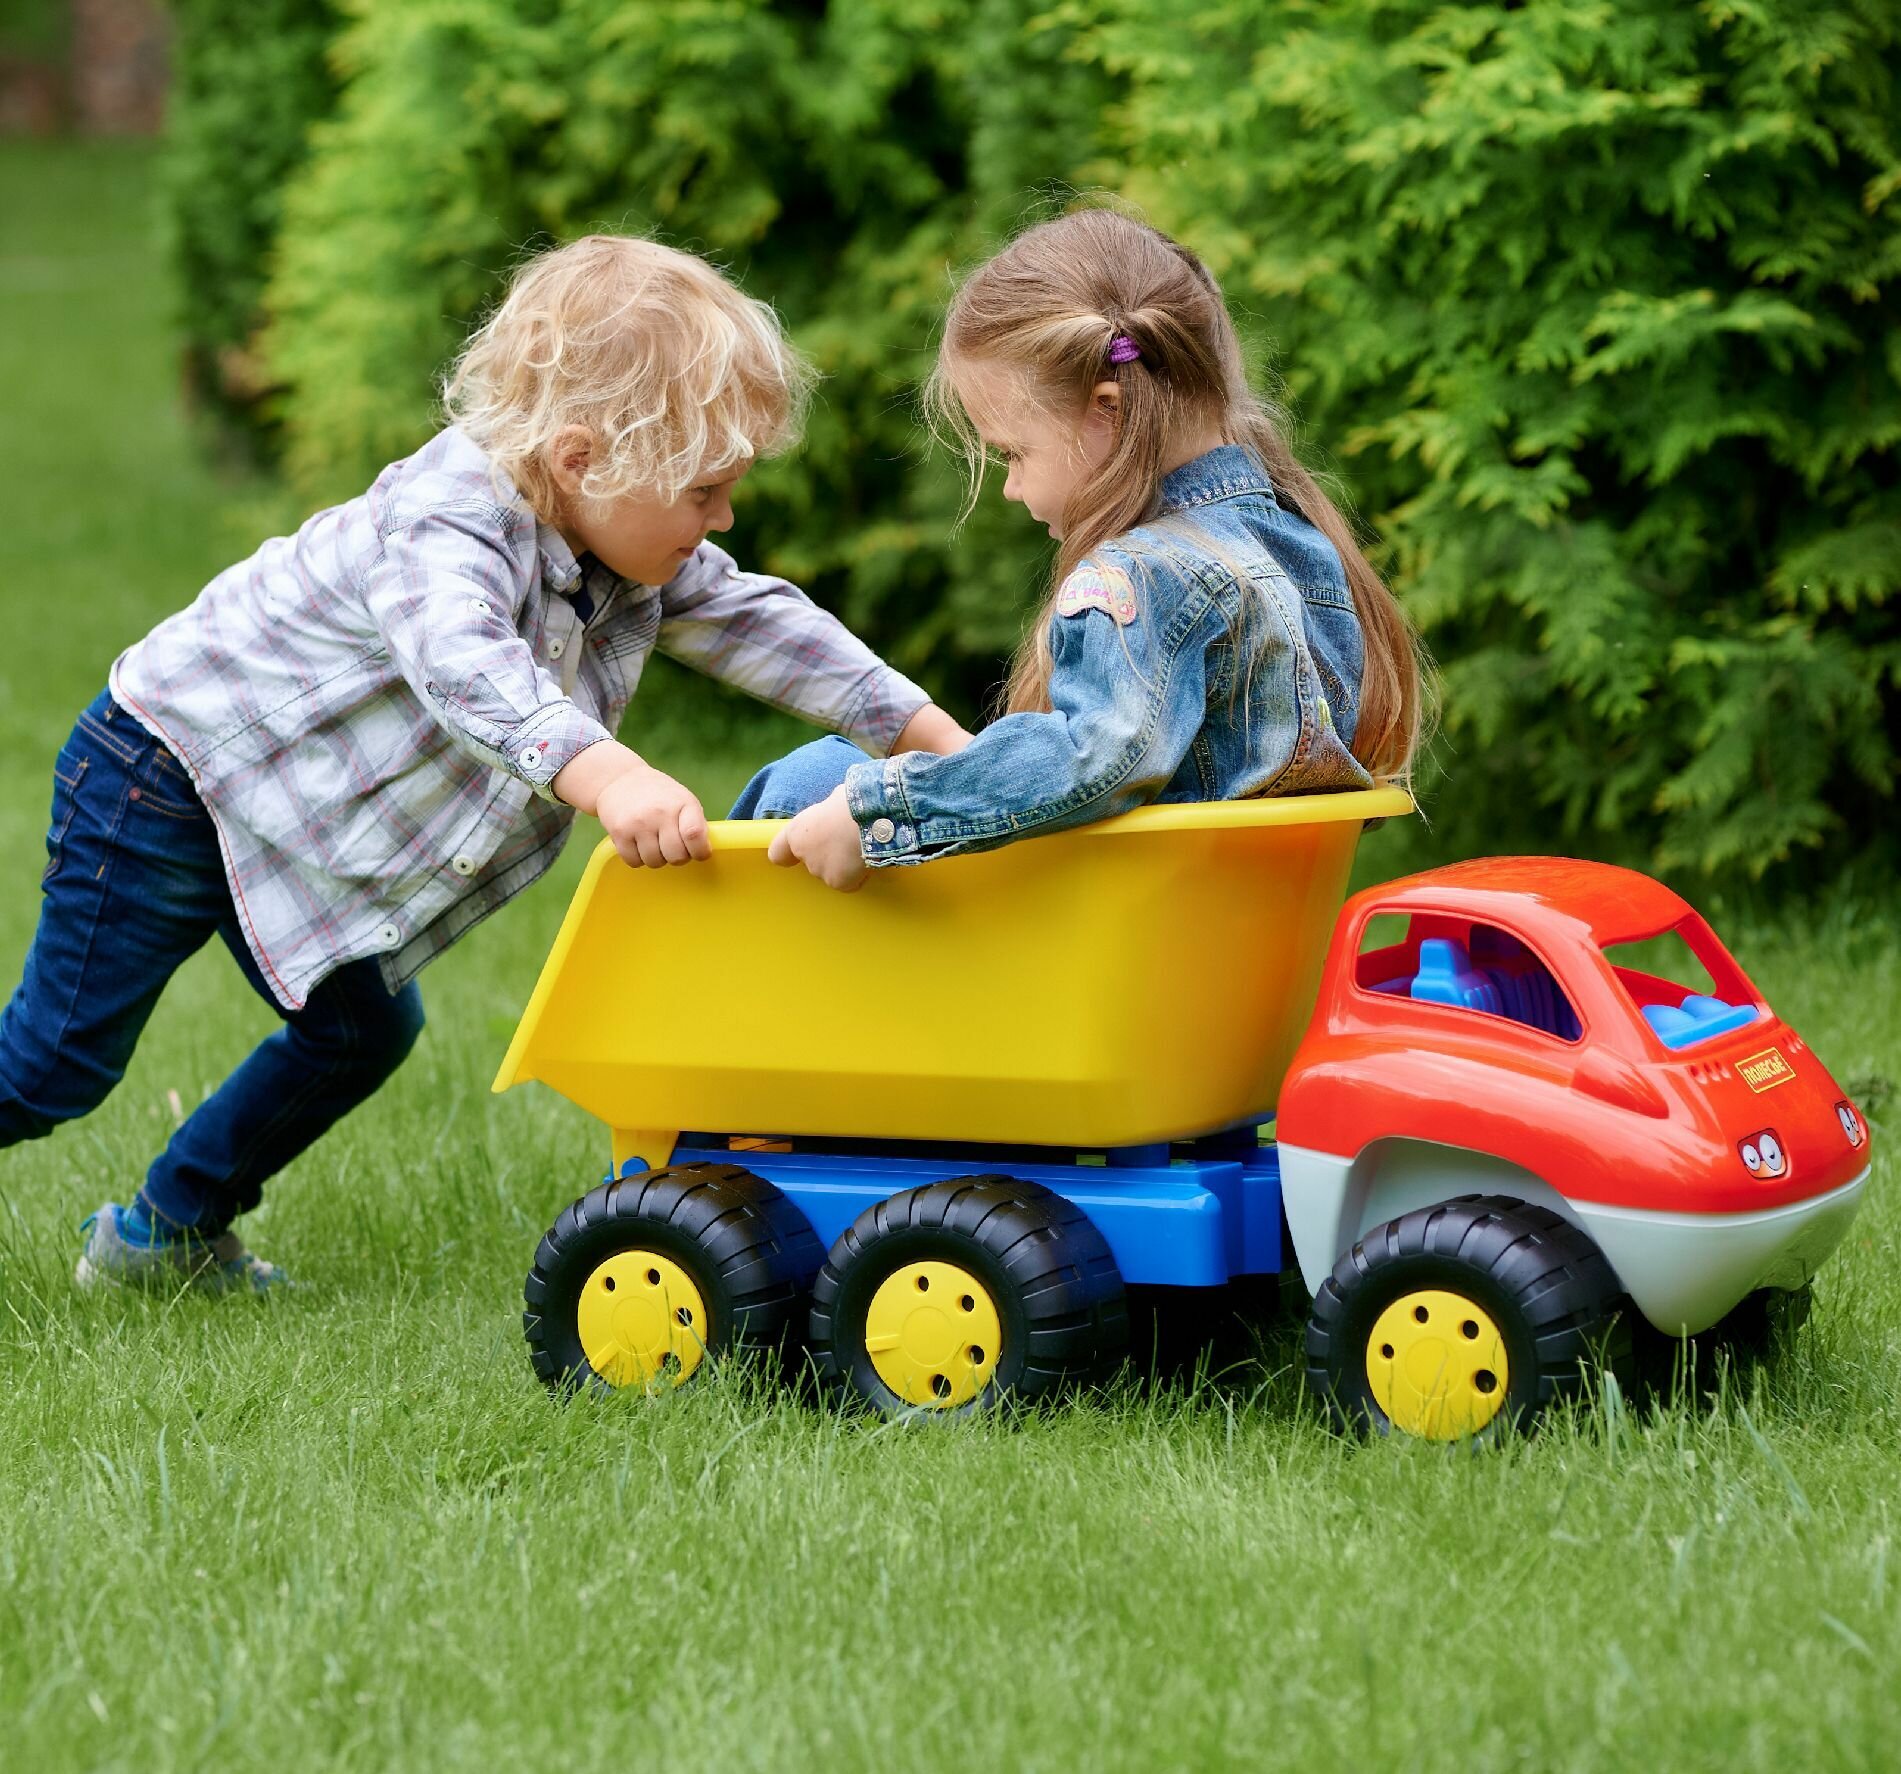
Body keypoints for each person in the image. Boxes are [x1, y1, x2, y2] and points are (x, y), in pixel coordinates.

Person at [1, 234, 968, 1292]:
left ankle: (163, 1236)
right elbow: (468, 666)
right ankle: (156, 1221)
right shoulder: (442, 521)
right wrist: (610, 776)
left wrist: (945, 748)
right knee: (55, 1067)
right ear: (580, 457)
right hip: (166, 778)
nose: (721, 519)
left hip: (287, 812)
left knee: (357, 1033)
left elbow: (764, 626)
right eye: (703, 493)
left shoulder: (621, 546)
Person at [749, 208, 1425, 889]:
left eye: (1013, 454)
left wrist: (880, 812)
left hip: (1114, 936)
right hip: (1229, 937)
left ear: (1110, 410)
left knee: (812, 781)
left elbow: (1093, 753)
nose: (1009, 488)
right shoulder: (1302, 545)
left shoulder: (1144, 571)